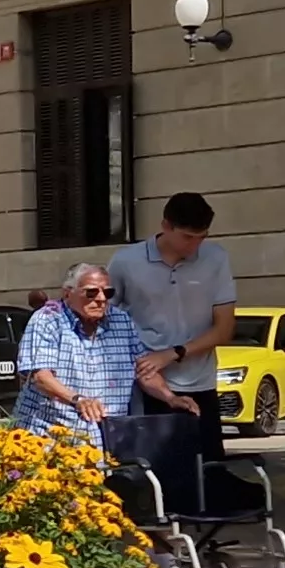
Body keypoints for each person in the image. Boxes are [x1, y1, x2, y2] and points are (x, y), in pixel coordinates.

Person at [111, 193, 240, 462]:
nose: (195, 245)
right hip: (148, 384)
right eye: (187, 237)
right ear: (165, 226)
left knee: (209, 467)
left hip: (201, 381)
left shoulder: (216, 258)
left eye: (202, 237)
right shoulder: (126, 262)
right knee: (157, 468)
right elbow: (107, 317)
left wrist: (173, 353)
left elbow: (224, 329)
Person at [15, 264, 155, 438]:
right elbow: (42, 378)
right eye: (91, 292)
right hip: (53, 436)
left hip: (110, 435)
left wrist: (172, 398)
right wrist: (78, 401)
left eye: (108, 293)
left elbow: (143, 370)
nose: (101, 299)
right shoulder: (48, 319)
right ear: (68, 293)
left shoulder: (121, 320)